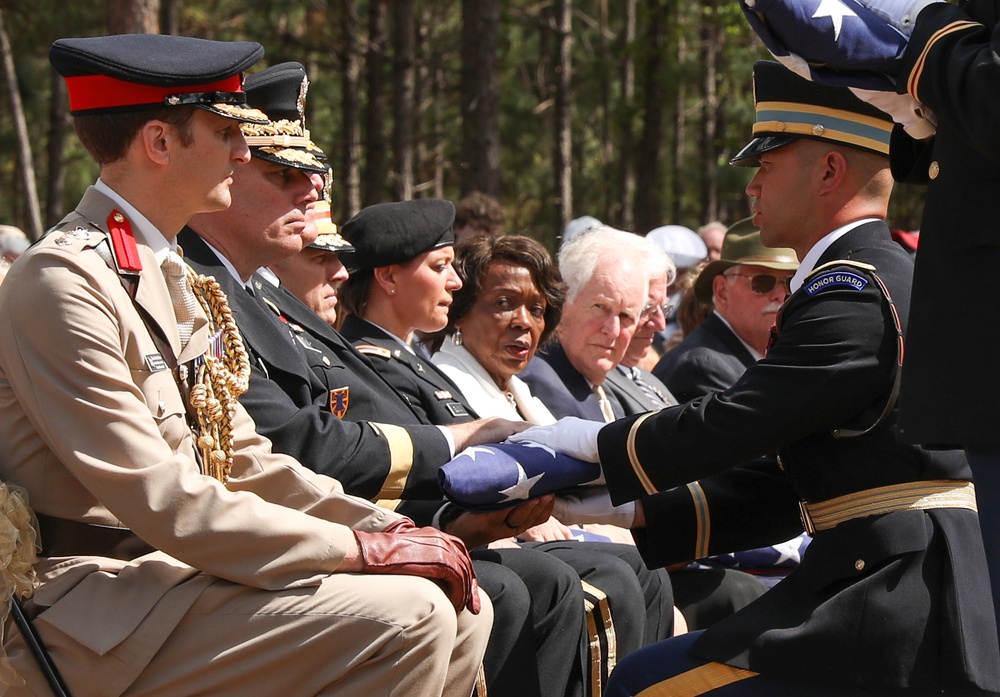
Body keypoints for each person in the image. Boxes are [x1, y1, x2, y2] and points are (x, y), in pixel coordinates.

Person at [0, 35, 490, 697]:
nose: (241, 151)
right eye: (226, 131)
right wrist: (357, 550)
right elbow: (162, 498)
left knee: (462, 605)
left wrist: (384, 528)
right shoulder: (64, 281)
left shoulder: (167, 273)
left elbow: (241, 459)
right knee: (411, 616)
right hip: (90, 603)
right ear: (159, 142)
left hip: (173, 580)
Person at [519, 61, 1000, 695]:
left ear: (829, 171)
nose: (752, 186)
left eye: (767, 164)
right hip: (891, 583)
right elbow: (790, 482)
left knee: (645, 684)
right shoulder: (874, 275)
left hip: (892, 602)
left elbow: (742, 419)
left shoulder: (851, 289)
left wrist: (580, 446)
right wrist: (620, 504)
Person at [336, 205, 676, 697]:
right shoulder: (379, 364)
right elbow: (406, 472)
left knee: (644, 571)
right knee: (589, 580)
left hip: (478, 527)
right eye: (502, 304)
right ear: (388, 278)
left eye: (536, 310)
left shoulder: (426, 367)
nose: (523, 323)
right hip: (435, 534)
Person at [182, 62, 518, 503]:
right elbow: (297, 445)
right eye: (282, 174)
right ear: (227, 174)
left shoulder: (258, 293)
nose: (311, 191)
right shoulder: (197, 290)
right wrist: (457, 452)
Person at [653, 217, 798, 404]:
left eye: (791, 282)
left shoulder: (760, 357)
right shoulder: (702, 367)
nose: (781, 295)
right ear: (721, 291)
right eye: (762, 282)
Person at [520, 225, 650, 423]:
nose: (613, 330)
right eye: (600, 307)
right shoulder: (541, 384)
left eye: (626, 316)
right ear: (563, 301)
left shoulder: (604, 390)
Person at [603, 236, 678, 413]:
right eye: (647, 308)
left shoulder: (648, 379)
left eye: (664, 308)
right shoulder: (594, 380)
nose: (660, 325)